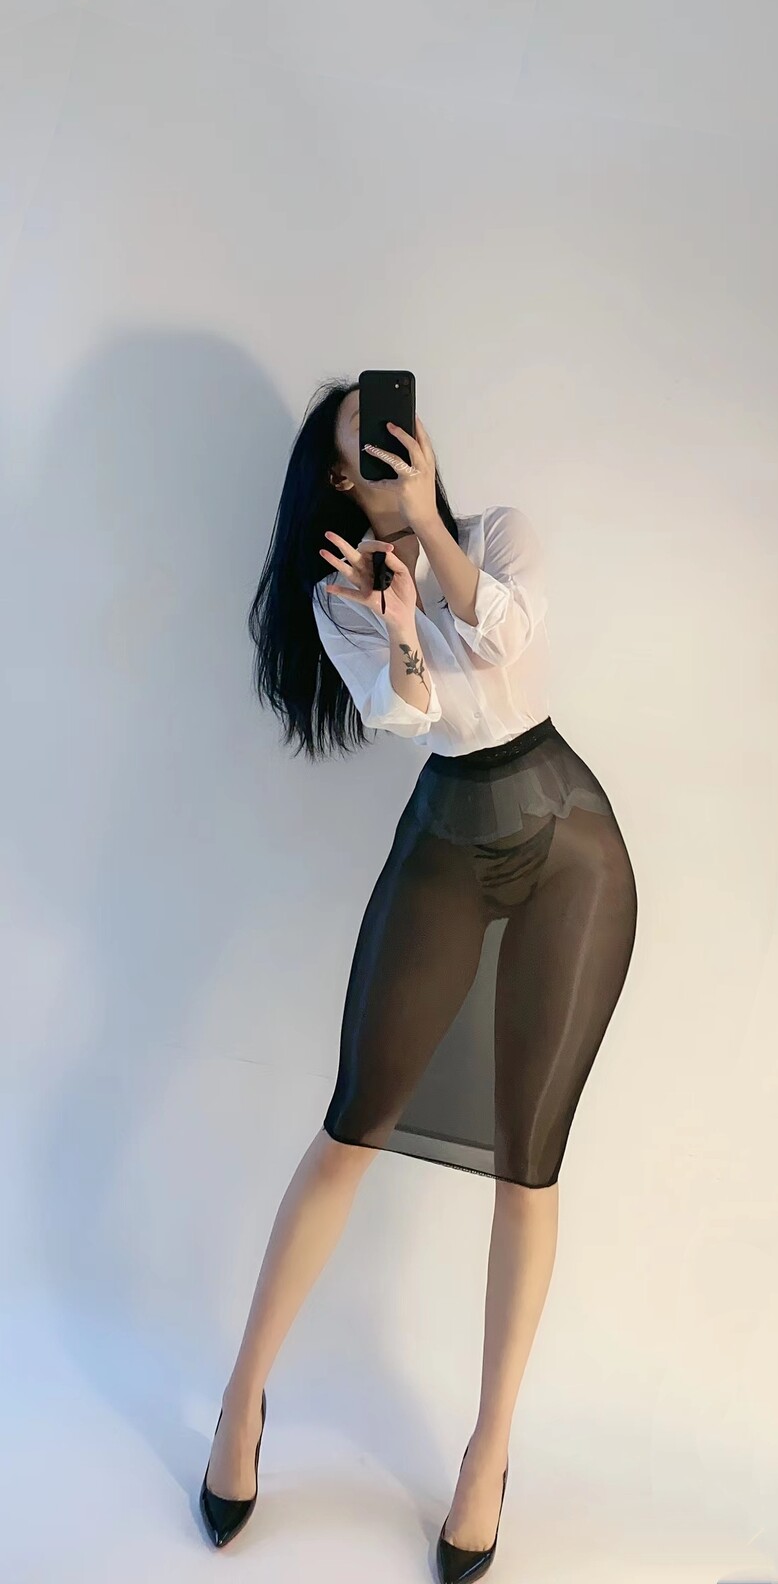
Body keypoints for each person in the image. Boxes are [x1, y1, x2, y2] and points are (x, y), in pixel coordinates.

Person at [198, 375, 639, 1580]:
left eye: (406, 433)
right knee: (352, 1126)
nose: (397, 454)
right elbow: (410, 717)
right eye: (369, 450)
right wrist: (392, 619)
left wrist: (434, 537)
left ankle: (488, 1453)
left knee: (528, 1159)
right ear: (341, 479)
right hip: (448, 840)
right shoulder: (342, 594)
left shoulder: (497, 535)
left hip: (570, 847)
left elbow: (504, 636)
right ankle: (241, 1400)